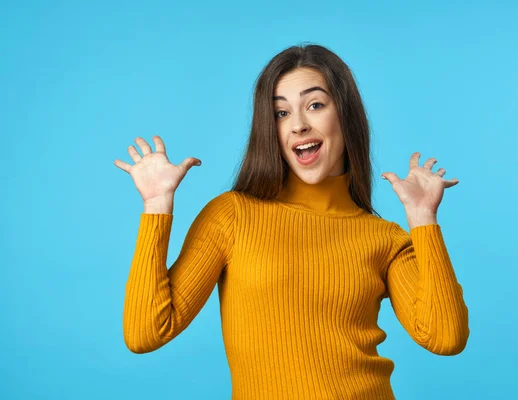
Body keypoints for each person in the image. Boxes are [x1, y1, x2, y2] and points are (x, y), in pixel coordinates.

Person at [114, 43, 469, 399]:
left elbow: (445, 336)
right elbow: (145, 332)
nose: (298, 125)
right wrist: (157, 205)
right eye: (281, 113)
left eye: (315, 105)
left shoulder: (385, 239)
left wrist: (423, 218)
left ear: (345, 115)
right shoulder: (232, 216)